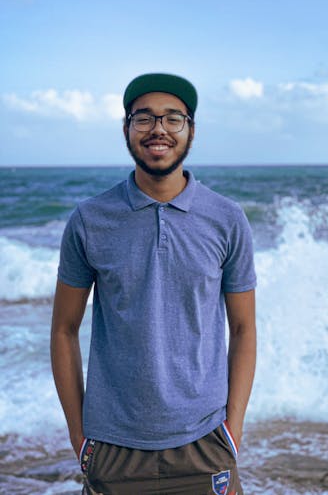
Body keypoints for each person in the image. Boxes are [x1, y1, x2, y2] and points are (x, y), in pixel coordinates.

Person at [51, 73, 257, 495]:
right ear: (126, 129)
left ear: (191, 131)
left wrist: (232, 432)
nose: (158, 129)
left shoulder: (227, 218)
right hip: (112, 447)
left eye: (172, 118)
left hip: (205, 443)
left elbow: (243, 328)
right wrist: (80, 437)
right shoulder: (90, 220)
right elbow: (63, 329)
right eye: (143, 118)